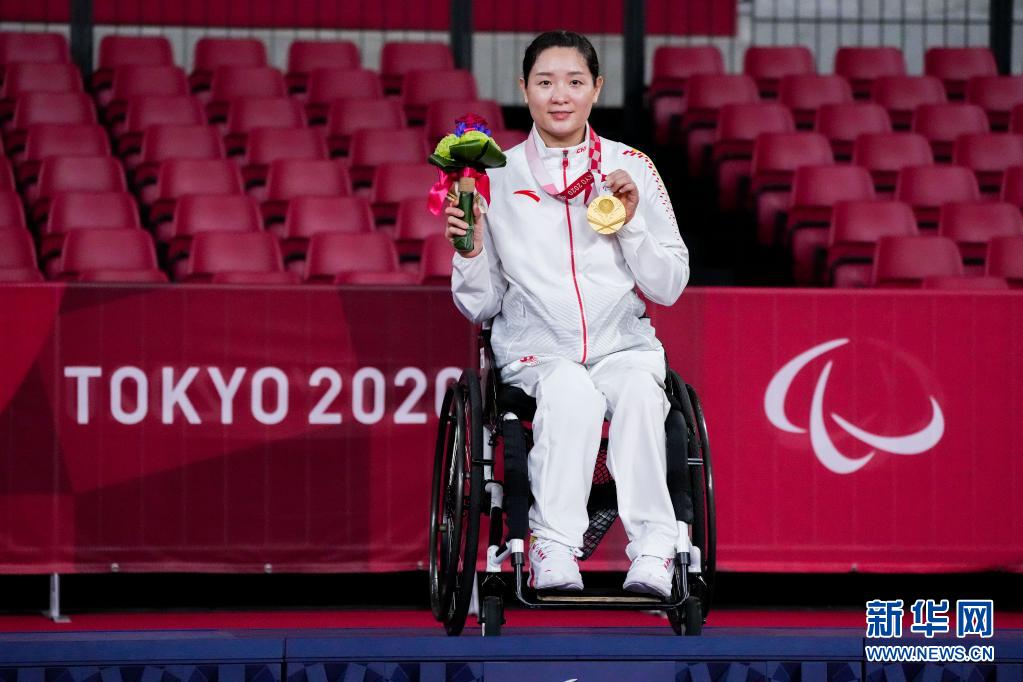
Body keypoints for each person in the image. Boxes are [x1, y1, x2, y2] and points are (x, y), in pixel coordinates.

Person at [444, 30, 690, 598]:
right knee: (571, 393)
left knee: (637, 393)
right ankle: (553, 545)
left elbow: (670, 284)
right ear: (523, 89)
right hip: (538, 348)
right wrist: (469, 250)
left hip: (622, 344)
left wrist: (629, 222)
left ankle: (655, 550)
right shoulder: (495, 176)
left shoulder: (634, 169)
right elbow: (480, 304)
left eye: (575, 82)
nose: (561, 95)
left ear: (596, 89)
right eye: (545, 82)